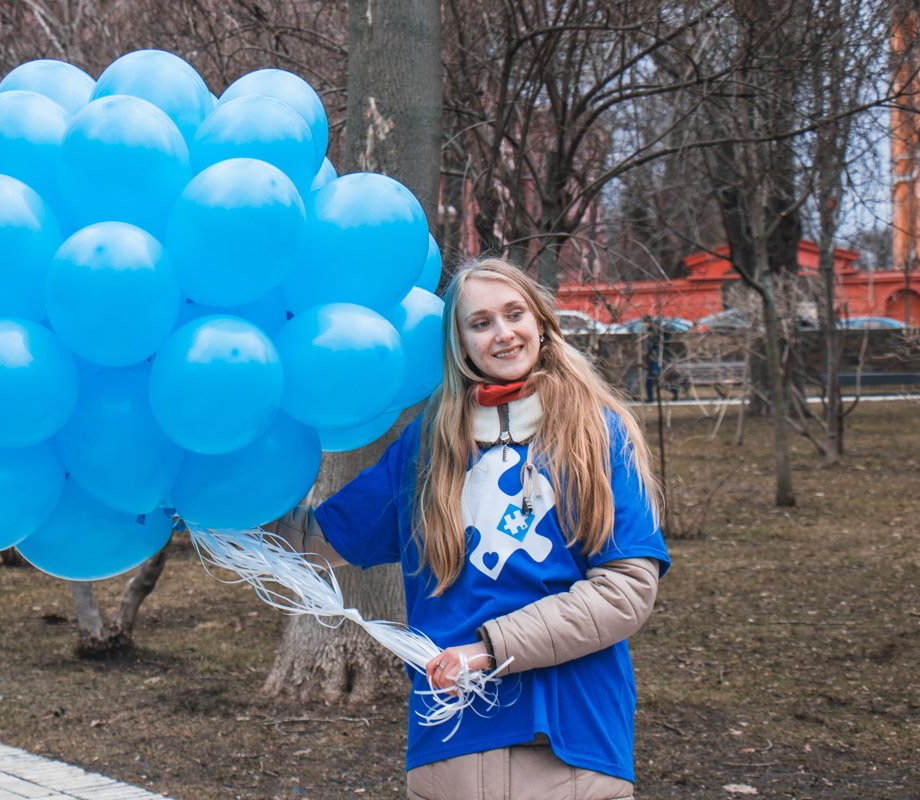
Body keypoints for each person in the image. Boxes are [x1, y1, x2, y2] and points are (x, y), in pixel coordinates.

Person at [271, 257, 669, 800]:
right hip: (450, 750)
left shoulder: (600, 433)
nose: (503, 334)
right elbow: (312, 542)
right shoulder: (426, 447)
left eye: (515, 314)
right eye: (481, 323)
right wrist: (208, 492)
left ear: (541, 324)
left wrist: (488, 651)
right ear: (458, 344)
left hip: (571, 746)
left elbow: (625, 592)